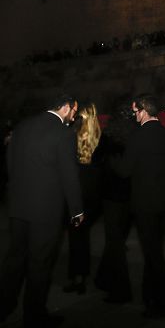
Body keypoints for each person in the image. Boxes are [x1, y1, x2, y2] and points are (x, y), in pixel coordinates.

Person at [0, 94, 84, 328]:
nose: (75, 114)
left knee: (14, 257)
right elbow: (69, 175)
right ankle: (34, 318)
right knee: (40, 263)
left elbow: (10, 161)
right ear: (65, 107)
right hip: (46, 209)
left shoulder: (23, 126)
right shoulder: (64, 133)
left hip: (19, 205)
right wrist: (77, 209)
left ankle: (2, 307)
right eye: (74, 110)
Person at [115, 94, 165, 317]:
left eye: (135, 111)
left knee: (153, 255)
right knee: (155, 251)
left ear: (142, 110)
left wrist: (112, 160)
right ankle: (149, 297)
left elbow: (125, 170)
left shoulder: (138, 136)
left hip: (145, 205)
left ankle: (164, 303)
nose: (134, 115)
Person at [93, 103, 134, 302]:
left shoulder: (108, 138)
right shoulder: (135, 136)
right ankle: (104, 278)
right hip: (130, 196)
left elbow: (96, 159)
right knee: (117, 240)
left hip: (112, 195)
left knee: (114, 242)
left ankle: (120, 289)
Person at [64, 103, 102, 295]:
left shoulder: (72, 136)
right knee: (81, 237)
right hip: (93, 195)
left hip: (78, 193)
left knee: (76, 237)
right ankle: (80, 275)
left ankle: (77, 277)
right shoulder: (99, 138)